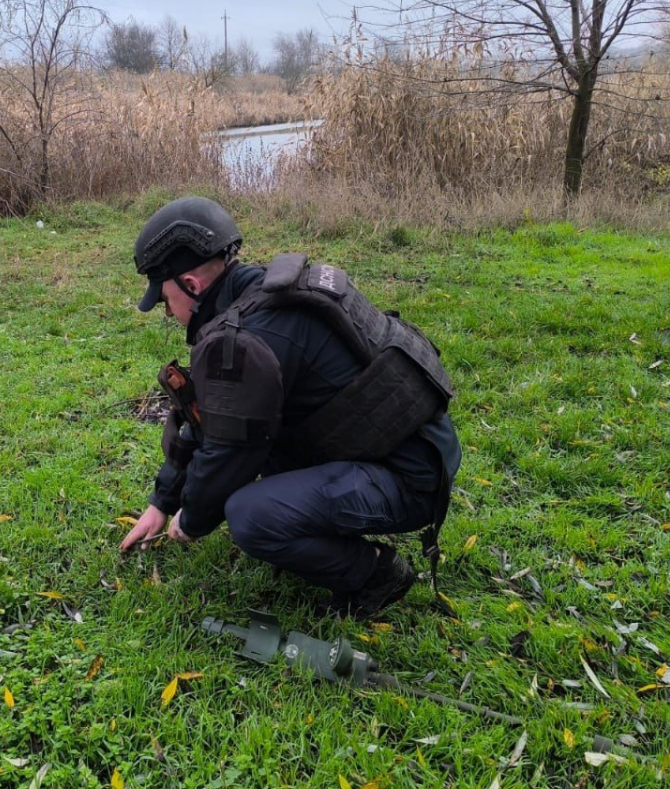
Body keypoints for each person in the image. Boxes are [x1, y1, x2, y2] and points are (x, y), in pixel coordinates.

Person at [118, 196, 461, 617]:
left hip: (411, 478)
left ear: (191, 284)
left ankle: (376, 573)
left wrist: (191, 521)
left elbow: (227, 452)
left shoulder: (242, 339)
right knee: (262, 477)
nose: (168, 313)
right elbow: (212, 420)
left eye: (165, 299)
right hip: (425, 447)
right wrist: (162, 501)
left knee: (250, 514)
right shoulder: (263, 292)